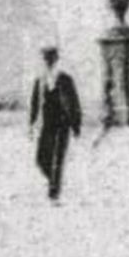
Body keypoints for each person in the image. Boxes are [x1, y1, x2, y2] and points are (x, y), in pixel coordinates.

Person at [28, 47, 82, 203]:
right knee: (41, 159)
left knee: (58, 157)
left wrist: (76, 124)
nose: (47, 61)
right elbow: (34, 103)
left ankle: (54, 191)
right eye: (45, 58)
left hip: (62, 123)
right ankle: (53, 180)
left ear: (56, 59)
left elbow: (74, 102)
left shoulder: (65, 79)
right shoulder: (40, 80)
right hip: (46, 124)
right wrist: (31, 124)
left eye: (50, 58)